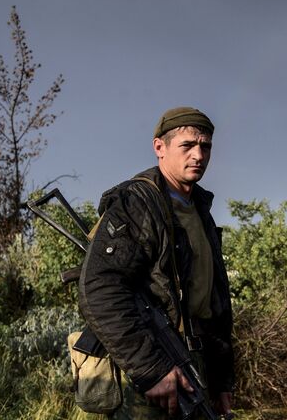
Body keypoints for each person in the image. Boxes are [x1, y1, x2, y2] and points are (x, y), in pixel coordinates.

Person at [79, 107, 234, 418]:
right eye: (188, 145)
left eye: (205, 147)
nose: (199, 155)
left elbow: (213, 306)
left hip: (195, 364)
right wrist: (151, 369)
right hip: (152, 368)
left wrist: (220, 381)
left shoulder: (200, 209)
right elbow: (99, 289)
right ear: (160, 148)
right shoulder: (138, 204)